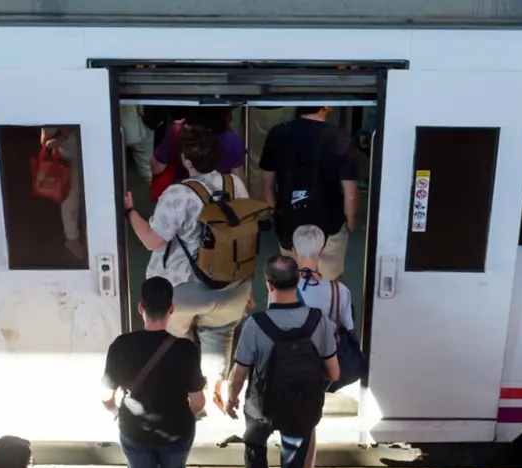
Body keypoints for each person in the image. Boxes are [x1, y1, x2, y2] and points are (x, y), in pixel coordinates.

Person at [125, 126, 253, 410]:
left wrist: (131, 212)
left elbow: (152, 240)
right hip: (232, 288)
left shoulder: (178, 194)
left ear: (186, 159)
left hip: (182, 290)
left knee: (176, 341)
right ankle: (215, 392)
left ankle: (186, 398)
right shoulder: (235, 185)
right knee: (219, 337)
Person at [226, 256, 339, 468]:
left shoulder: (255, 324)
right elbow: (334, 371)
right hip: (301, 408)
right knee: (292, 463)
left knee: (254, 450)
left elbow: (239, 373)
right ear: (298, 282)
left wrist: (232, 398)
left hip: (261, 408)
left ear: (268, 284)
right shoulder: (318, 321)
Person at [102, 276, 206, 468]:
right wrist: (185, 416)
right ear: (171, 309)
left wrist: (114, 411)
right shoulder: (186, 350)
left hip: (135, 432)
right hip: (176, 432)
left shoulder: (121, 346)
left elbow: (105, 396)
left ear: (140, 308)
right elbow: (197, 402)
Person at [260, 106, 359, 282]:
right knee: (331, 279)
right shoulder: (341, 137)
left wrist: (274, 210)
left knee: (290, 279)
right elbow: (350, 191)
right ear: (326, 106)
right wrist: (350, 220)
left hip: (289, 220)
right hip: (330, 222)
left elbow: (267, 180)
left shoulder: (278, 132)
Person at [291, 225, 356, 468]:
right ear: (322, 251)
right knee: (310, 421)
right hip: (322, 367)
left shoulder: (281, 289)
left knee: (293, 418)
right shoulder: (339, 291)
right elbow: (348, 329)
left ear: (294, 252)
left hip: (290, 364)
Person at [151, 107, 248, 187]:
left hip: (185, 193)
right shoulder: (233, 140)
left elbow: (157, 168)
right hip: (220, 199)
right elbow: (238, 177)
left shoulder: (179, 133)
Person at [41, 127, 86, 261]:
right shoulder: (54, 116)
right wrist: (64, 134)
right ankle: (71, 238)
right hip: (68, 159)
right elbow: (46, 143)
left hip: (90, 153)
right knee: (71, 199)